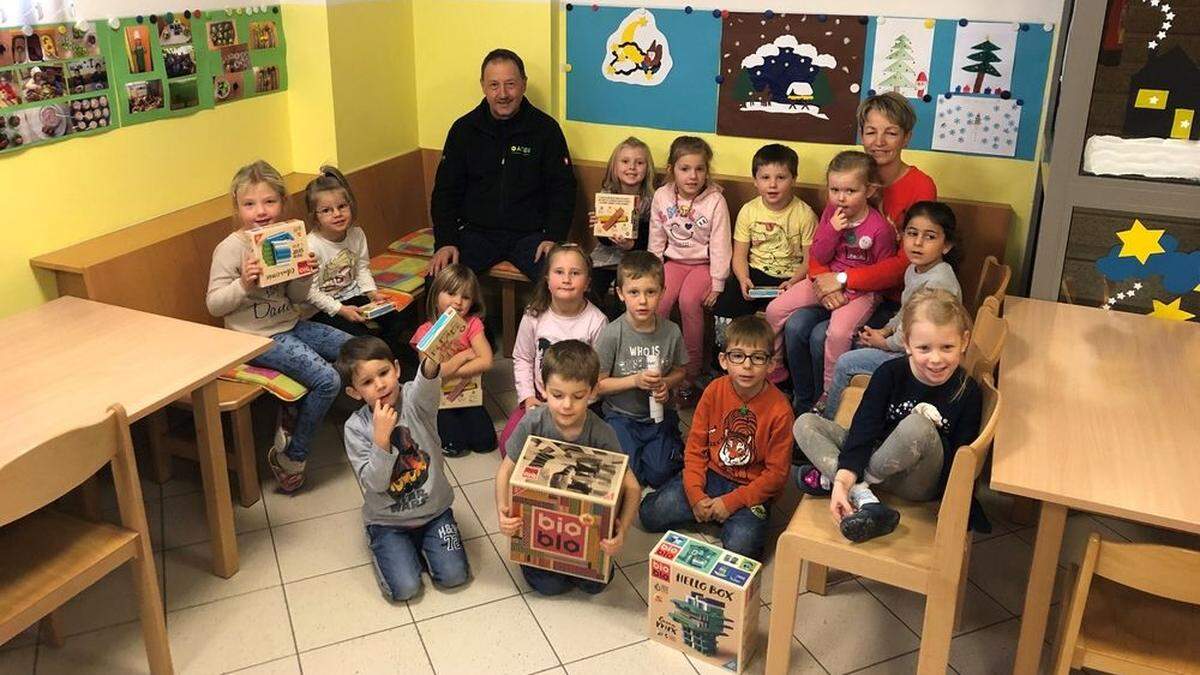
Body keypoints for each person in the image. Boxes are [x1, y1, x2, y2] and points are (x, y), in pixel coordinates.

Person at [783, 93, 939, 410]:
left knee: (819, 336)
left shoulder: (920, 186)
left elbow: (905, 263)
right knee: (796, 325)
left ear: (906, 137)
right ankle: (801, 403)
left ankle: (831, 408)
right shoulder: (847, 177)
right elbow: (823, 242)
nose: (879, 141)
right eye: (871, 131)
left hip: (888, 299)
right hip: (837, 286)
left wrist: (841, 279)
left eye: (891, 132)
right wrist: (821, 282)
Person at [206, 160, 352, 493]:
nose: (261, 211)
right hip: (253, 337)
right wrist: (244, 283)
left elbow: (298, 296)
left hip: (290, 322)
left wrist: (305, 273)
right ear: (237, 207)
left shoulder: (286, 237)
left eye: (269, 201)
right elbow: (214, 305)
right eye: (249, 204)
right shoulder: (231, 248)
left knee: (356, 351)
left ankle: (296, 412)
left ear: (282, 203)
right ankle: (292, 456)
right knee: (327, 379)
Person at [792, 288, 982, 543]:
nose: (936, 359)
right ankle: (863, 495)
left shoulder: (968, 392)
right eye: (924, 348)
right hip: (878, 453)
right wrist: (843, 481)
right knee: (805, 423)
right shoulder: (889, 374)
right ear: (907, 344)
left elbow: (962, 457)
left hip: (917, 481)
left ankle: (853, 482)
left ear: (964, 341)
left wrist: (953, 511)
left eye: (947, 347)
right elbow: (864, 428)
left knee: (917, 425)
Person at [638, 316, 793, 560]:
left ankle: (722, 515)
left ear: (771, 364)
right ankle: (707, 511)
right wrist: (696, 495)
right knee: (650, 514)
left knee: (743, 551)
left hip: (750, 488)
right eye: (737, 356)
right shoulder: (713, 391)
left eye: (758, 358)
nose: (747, 366)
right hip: (711, 474)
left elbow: (776, 476)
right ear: (723, 360)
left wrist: (730, 503)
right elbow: (695, 449)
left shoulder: (781, 409)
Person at [495, 340, 642, 595]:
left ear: (593, 392)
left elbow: (633, 487)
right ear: (543, 389)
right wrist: (503, 513)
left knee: (596, 584)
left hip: (583, 531)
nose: (566, 405)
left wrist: (622, 531)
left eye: (578, 396)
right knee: (548, 586)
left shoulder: (602, 432)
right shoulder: (533, 422)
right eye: (557, 395)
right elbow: (505, 471)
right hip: (542, 529)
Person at [336, 336, 470, 600]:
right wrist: (381, 440)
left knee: (455, 577)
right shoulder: (355, 428)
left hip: (434, 512)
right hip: (388, 521)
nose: (380, 385)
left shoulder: (414, 400)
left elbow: (427, 380)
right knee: (406, 589)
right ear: (354, 392)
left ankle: (424, 544)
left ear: (396, 369)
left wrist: (433, 360)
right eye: (367, 382)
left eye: (384, 373)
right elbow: (373, 484)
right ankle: (391, 545)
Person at [428, 48, 576, 282]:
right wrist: (446, 241)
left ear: (524, 84)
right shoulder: (463, 130)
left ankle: (539, 321)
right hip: (475, 235)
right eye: (494, 85)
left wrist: (554, 238)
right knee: (440, 280)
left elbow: (563, 190)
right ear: (483, 86)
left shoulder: (546, 130)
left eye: (510, 84)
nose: (503, 93)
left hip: (533, 237)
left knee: (564, 280)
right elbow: (445, 192)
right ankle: (467, 322)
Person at [764, 151, 897, 408]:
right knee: (774, 308)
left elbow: (883, 276)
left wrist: (845, 286)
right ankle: (776, 368)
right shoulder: (830, 214)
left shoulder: (880, 228)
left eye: (850, 190)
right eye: (835, 189)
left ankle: (828, 391)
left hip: (860, 292)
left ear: (869, 190)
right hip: (824, 281)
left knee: (837, 333)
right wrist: (832, 231)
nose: (841, 197)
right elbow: (820, 254)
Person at [824, 201, 962, 417]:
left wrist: (886, 343)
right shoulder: (915, 269)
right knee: (855, 342)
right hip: (905, 345)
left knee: (846, 362)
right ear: (902, 235)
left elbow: (923, 336)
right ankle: (857, 414)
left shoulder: (938, 283)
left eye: (930, 237)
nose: (918, 242)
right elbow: (906, 312)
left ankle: (830, 419)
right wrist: (885, 331)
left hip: (919, 360)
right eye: (912, 233)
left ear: (946, 245)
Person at [497, 243, 607, 451]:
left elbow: (600, 374)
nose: (566, 279)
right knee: (509, 446)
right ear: (547, 280)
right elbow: (523, 357)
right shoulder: (534, 314)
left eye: (575, 273)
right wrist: (528, 398)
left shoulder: (597, 321)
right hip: (540, 397)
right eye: (559, 272)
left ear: (588, 283)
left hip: (580, 403)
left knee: (576, 451)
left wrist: (574, 404)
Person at [648, 136, 732, 402]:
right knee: (659, 303)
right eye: (685, 169)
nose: (693, 176)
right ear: (672, 168)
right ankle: (657, 365)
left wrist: (718, 283)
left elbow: (721, 244)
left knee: (688, 302)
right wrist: (654, 271)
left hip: (703, 266)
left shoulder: (715, 200)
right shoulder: (662, 196)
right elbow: (657, 237)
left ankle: (690, 374)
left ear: (707, 171)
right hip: (673, 263)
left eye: (700, 169)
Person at [594, 251, 688, 488]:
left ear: (662, 293)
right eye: (634, 292)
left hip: (658, 416)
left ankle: (667, 445)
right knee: (631, 476)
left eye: (651, 292)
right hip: (621, 416)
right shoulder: (612, 334)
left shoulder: (671, 331)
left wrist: (667, 383)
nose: (643, 301)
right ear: (620, 294)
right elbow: (599, 385)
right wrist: (635, 380)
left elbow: (681, 371)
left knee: (659, 474)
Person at [711, 144, 817, 338]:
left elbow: (810, 260)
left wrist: (793, 281)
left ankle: (776, 363)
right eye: (765, 177)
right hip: (755, 273)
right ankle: (722, 360)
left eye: (781, 177)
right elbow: (740, 255)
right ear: (755, 181)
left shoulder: (805, 214)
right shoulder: (748, 210)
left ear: (794, 179)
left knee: (787, 316)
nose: (772, 184)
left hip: (791, 277)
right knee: (725, 305)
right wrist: (744, 279)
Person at [303, 166, 404, 351]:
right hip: (323, 308)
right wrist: (341, 310)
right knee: (360, 339)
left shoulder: (356, 235)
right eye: (326, 210)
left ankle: (388, 359)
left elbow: (362, 268)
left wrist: (372, 293)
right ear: (314, 217)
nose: (337, 214)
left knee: (396, 320)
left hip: (353, 296)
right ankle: (374, 361)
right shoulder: (310, 246)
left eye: (342, 206)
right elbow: (310, 293)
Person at [409, 264, 496, 457]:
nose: (458, 302)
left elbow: (486, 361)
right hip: (439, 401)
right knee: (454, 446)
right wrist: (464, 357)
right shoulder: (425, 332)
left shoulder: (473, 323)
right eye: (451, 293)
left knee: (486, 444)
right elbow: (431, 374)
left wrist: (448, 369)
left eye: (465, 297)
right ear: (436, 294)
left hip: (469, 394)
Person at [587, 137, 656, 319]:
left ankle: (622, 329)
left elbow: (651, 236)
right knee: (590, 288)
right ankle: (595, 326)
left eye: (639, 163)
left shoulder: (651, 200)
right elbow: (602, 239)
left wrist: (630, 245)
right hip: (605, 258)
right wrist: (599, 225)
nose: (632, 167)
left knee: (627, 296)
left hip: (635, 260)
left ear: (647, 168)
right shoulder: (607, 195)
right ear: (614, 167)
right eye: (625, 161)